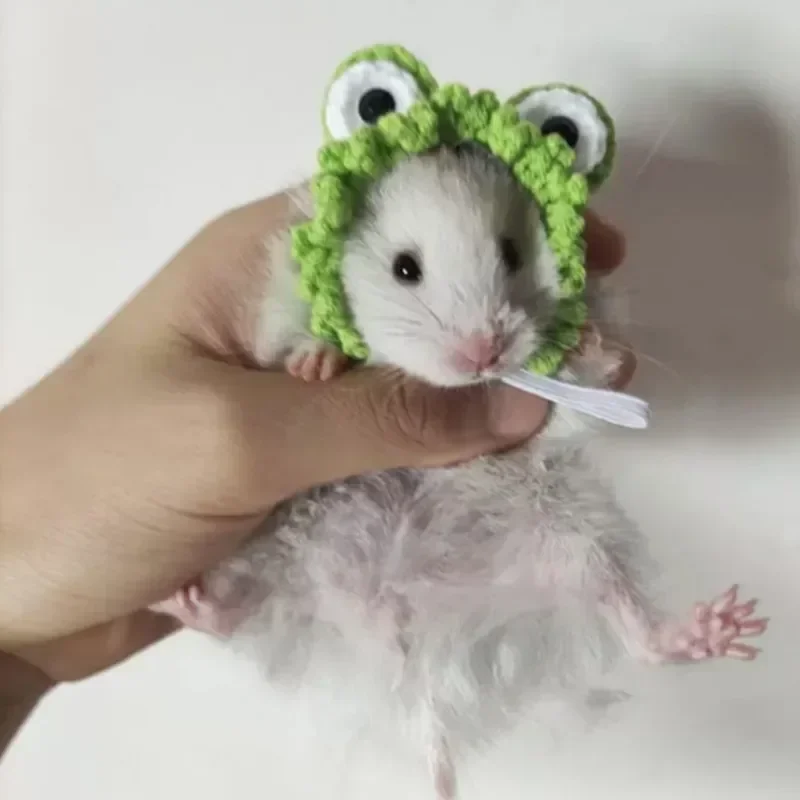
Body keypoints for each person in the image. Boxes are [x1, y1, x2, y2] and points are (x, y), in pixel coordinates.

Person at [0, 190, 632, 755]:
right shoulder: (317, 289)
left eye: (509, 256)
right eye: (406, 270)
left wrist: (27, 651)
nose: (477, 344)